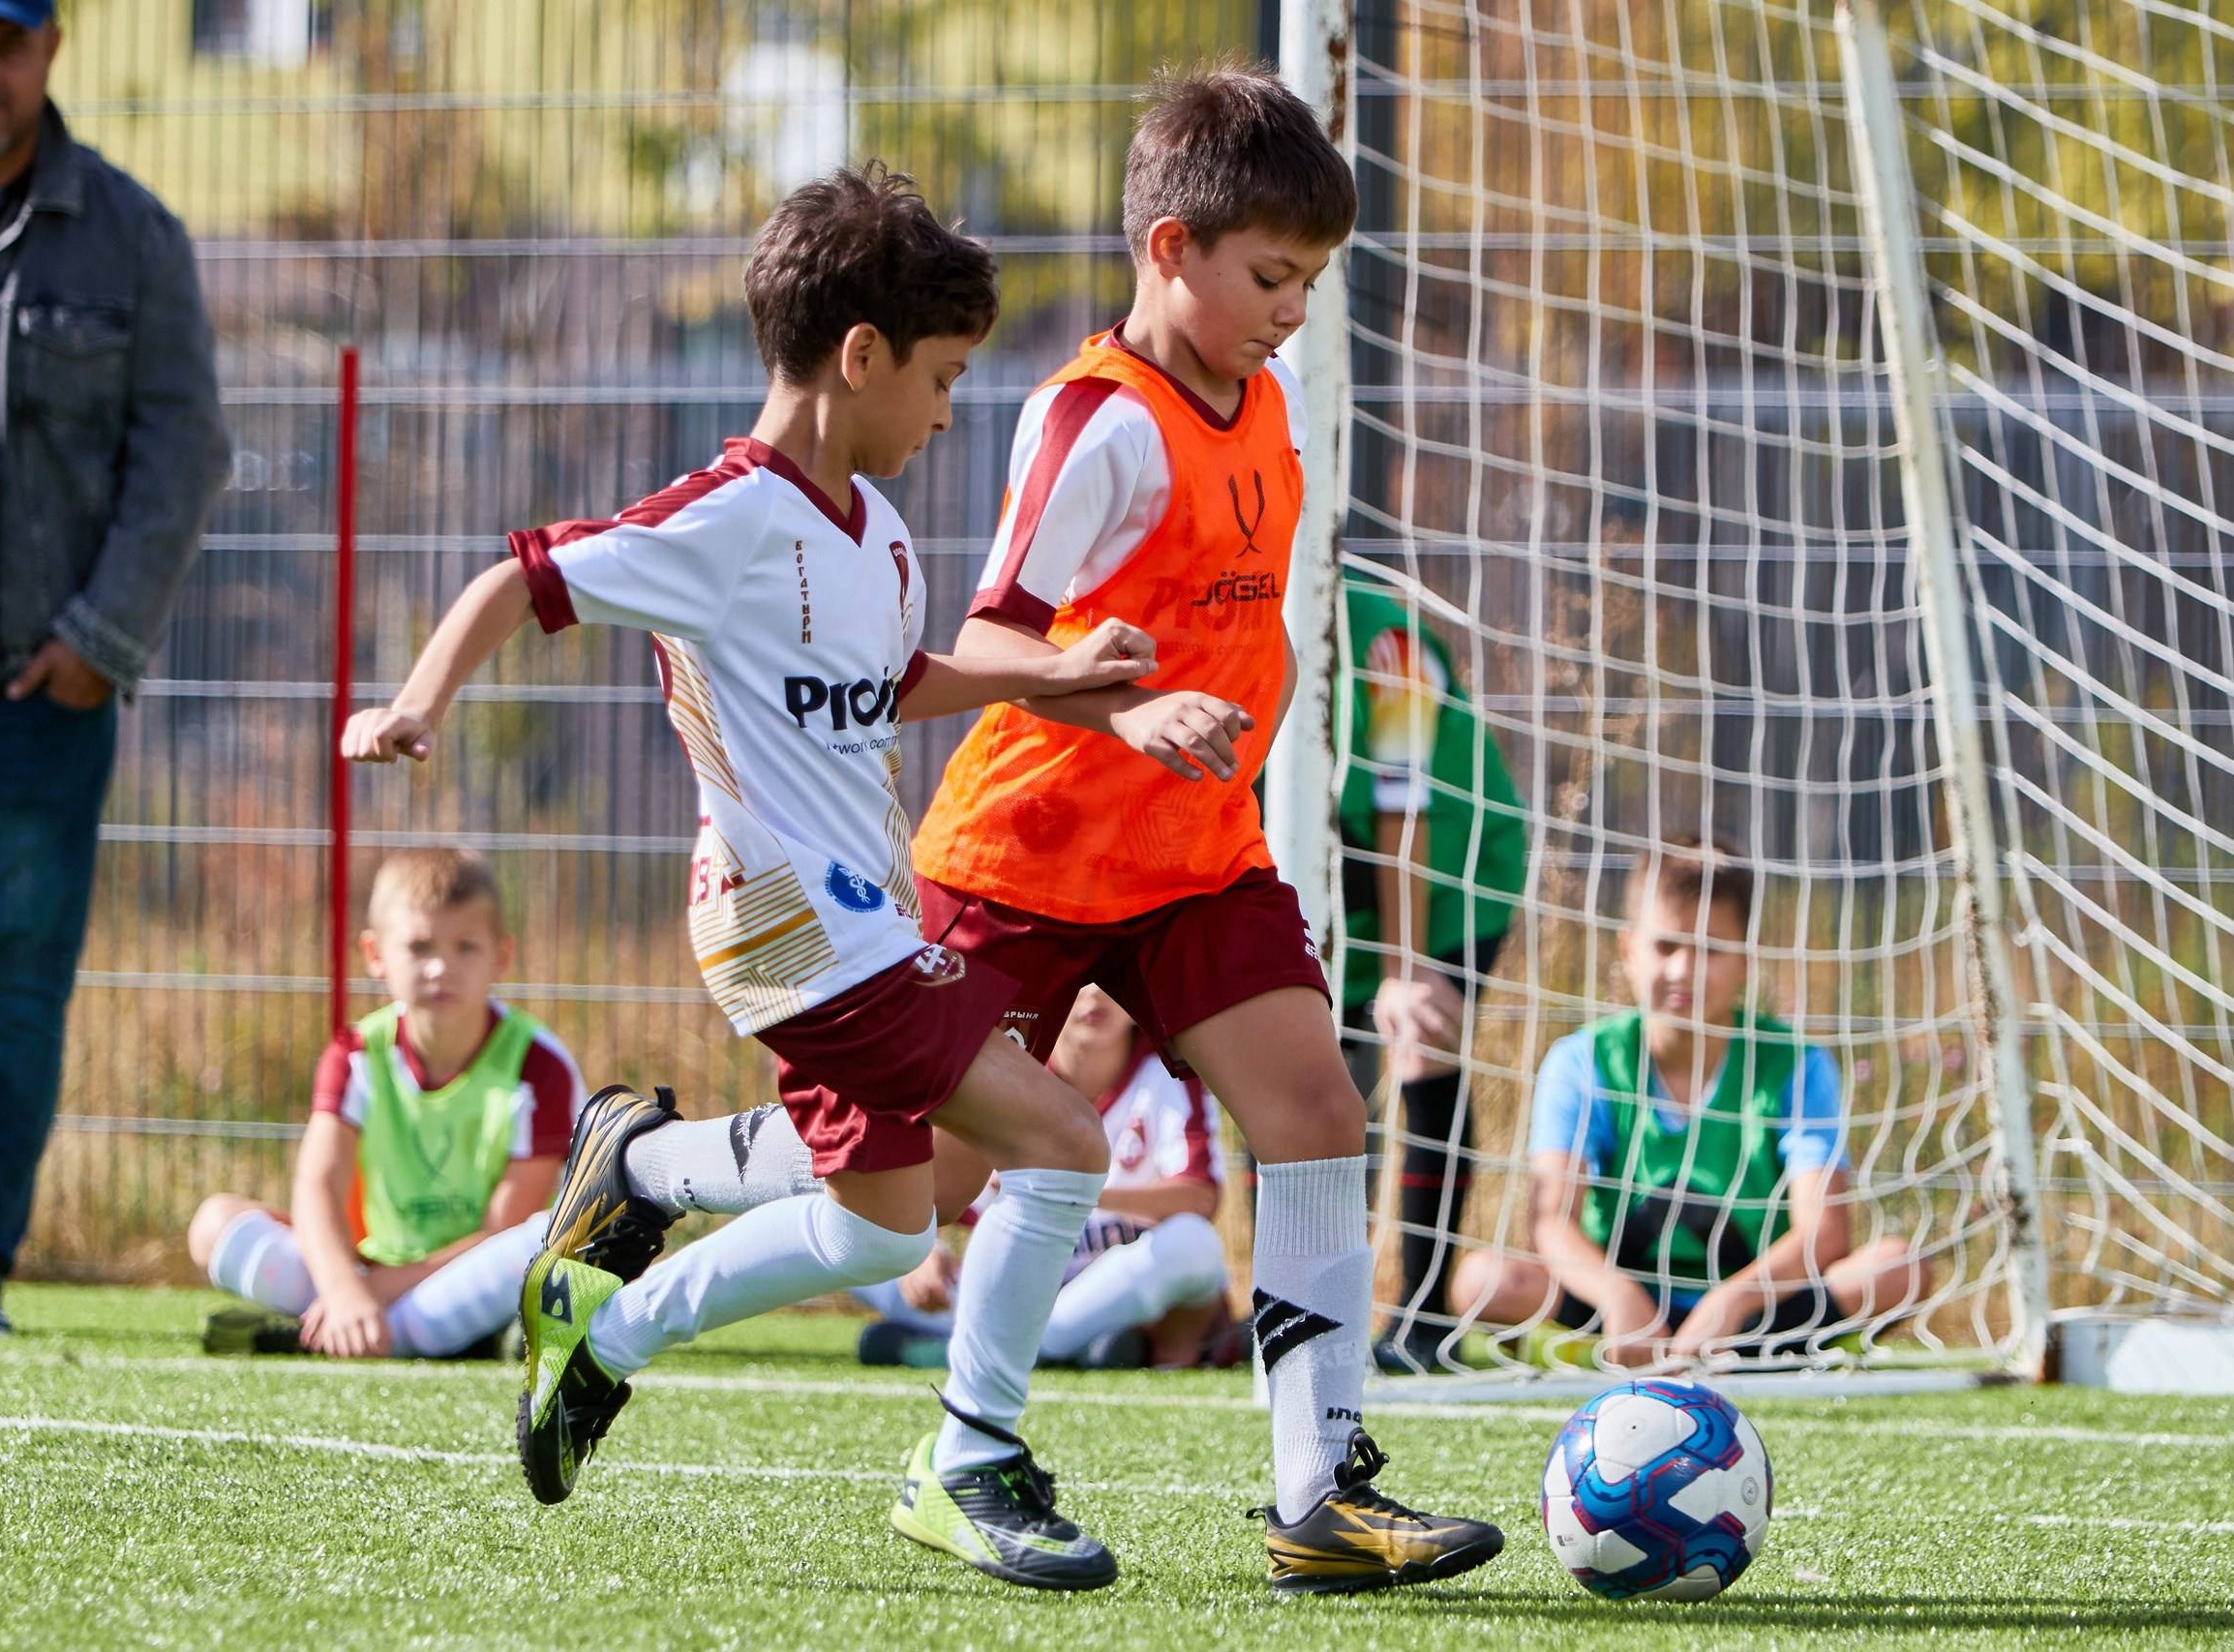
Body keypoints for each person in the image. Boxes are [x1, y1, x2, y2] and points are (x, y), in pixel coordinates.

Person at [345, 165, 1161, 1593]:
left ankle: (616, 1274)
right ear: (860, 358)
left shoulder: (883, 530)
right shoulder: (723, 521)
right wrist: (418, 700)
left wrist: (1065, 683)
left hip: (864, 916)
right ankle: (974, 1461)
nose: (948, 411)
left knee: (876, 1221)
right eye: (943, 378)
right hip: (785, 921)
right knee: (1062, 1138)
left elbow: (900, 678)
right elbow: (519, 581)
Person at [904, 68, 1504, 1593]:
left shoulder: (1277, 401)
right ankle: (660, 1179)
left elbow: (1243, 610)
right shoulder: (1095, 419)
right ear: (1168, 249)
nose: (1294, 307)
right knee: (896, 1191)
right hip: (1025, 850)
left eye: (1311, 278)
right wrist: (1133, 711)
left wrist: (1263, 693)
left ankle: (1321, 1491)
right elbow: (989, 635)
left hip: (1195, 853)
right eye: (1269, 275)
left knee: (1314, 1109)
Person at [0, 0, 229, 1335]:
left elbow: (182, 457)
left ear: (50, 53)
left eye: (3, 45)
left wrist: (101, 643)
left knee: (10, 982)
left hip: (28, 698)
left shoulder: (131, 236)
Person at [1449, 837, 1931, 1367]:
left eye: (1710, 949)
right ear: (1629, 951)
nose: (1684, 970)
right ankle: (1602, 1349)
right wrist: (1616, 1295)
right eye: (1667, 946)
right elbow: (1551, 1224)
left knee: (1898, 1267)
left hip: (1756, 1309)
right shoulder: (1582, 1062)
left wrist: (1734, 1300)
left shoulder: (1796, 1065)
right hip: (1625, 1308)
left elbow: (1824, 1232)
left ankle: (1763, 1351)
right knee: (1482, 1280)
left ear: (1746, 962)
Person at [184, 851, 592, 1360]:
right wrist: (343, 1287)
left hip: (469, 1273)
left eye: (466, 947)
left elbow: (503, 1229)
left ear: (501, 956)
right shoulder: (356, 1055)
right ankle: (424, 1336)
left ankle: (322, 1335)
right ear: (375, 954)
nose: (441, 967)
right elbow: (317, 1186)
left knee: (547, 1241)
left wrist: (366, 1296)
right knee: (213, 1223)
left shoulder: (537, 1065)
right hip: (368, 1273)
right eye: (419, 947)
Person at [1335, 572, 1526, 1373]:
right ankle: (1304, 1309)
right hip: (1329, 868)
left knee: (1423, 1055)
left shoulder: (1389, 648)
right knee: (1292, 1069)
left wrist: (1408, 969)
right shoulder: (1213, 610)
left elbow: (1401, 810)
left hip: (1445, 881)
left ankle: (1424, 1317)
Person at [854, 985, 1241, 1371]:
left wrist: (1075, 1190)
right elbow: (933, 1197)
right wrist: (922, 1252)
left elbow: (1200, 1199)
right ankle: (1066, 1348)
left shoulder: (1166, 1072)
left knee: (1193, 1243)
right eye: (1081, 979)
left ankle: (975, 1350)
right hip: (1015, 1290)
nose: (1095, 995)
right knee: (855, 1235)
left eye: (1111, 978)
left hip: (1111, 1293)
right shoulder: (1002, 1067)